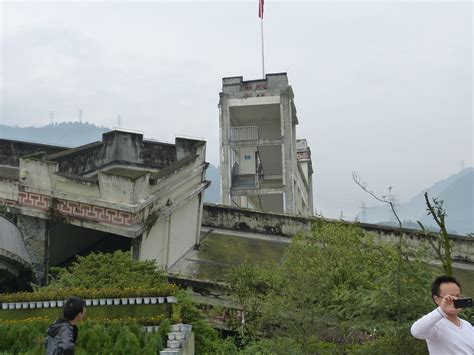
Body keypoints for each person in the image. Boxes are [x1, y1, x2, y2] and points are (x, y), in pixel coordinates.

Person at [411, 275, 474, 355]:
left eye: (458, 296)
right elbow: (416, 331)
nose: (455, 300)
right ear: (436, 299)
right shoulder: (434, 325)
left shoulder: (466, 325)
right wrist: (441, 310)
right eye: (450, 297)